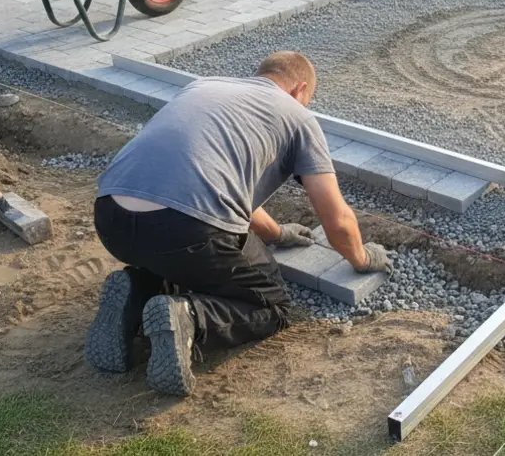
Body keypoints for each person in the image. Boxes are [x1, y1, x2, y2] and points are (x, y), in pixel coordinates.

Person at [84, 50, 390, 396]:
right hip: (184, 229)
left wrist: (277, 234)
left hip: (111, 218)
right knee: (271, 306)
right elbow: (336, 219)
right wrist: (364, 258)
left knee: (178, 250)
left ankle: (137, 292)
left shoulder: (204, 86)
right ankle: (190, 316)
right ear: (300, 90)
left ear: (260, 75)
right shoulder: (299, 118)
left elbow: (215, 183)